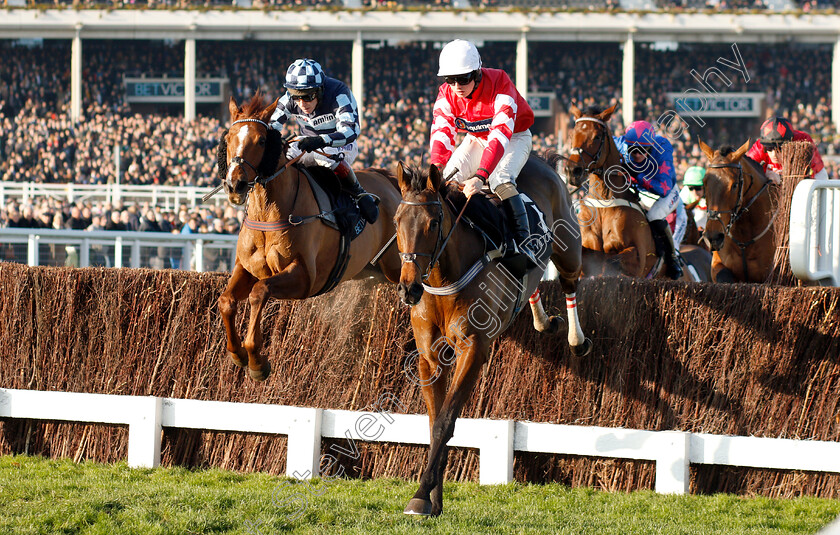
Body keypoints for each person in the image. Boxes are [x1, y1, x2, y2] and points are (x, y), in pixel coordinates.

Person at [429, 39, 536, 264]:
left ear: (477, 73)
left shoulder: (500, 82)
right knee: (446, 180)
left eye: (463, 78)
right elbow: (441, 132)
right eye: (450, 79)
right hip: (477, 138)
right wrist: (437, 167)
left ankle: (523, 242)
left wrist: (480, 176)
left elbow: (500, 134)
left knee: (500, 179)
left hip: (514, 136)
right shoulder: (445, 94)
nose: (457, 86)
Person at [269, 58, 378, 224]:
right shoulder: (290, 98)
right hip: (306, 141)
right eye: (297, 97)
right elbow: (271, 125)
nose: (302, 103)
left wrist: (321, 140)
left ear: (320, 90)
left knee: (327, 158)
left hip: (340, 143)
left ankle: (358, 192)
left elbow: (351, 130)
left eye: (308, 97)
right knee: (281, 161)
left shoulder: (338, 92)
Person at [614, 120, 683, 279]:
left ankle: (672, 258)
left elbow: (663, 189)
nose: (637, 154)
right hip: (639, 190)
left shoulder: (662, 148)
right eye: (633, 150)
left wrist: (634, 176)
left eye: (642, 150)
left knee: (654, 216)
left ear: (651, 147)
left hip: (665, 193)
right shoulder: (622, 143)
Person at [747, 116, 828, 183]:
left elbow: (819, 172)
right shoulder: (759, 147)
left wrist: (782, 179)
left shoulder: (803, 141)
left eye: (780, 148)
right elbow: (747, 171)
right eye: (769, 148)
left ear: (790, 143)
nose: (774, 154)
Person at [679, 166, 707, 231]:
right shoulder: (685, 191)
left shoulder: (713, 194)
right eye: (691, 188)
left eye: (698, 188)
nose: (694, 192)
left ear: (706, 186)